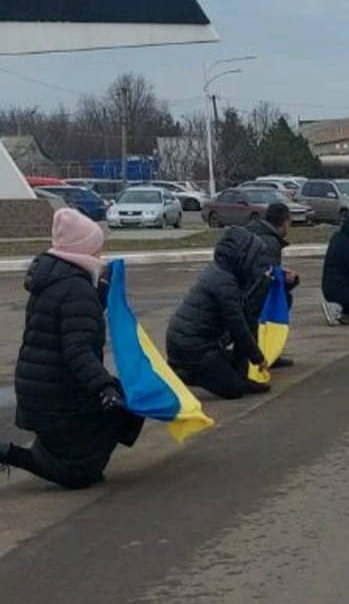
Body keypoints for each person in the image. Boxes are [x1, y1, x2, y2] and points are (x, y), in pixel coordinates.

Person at [1, 208, 143, 490]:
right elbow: (76, 350)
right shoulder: (75, 288)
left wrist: (98, 298)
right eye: (97, 246)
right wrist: (105, 389)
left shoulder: (53, 279)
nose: (100, 253)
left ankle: (67, 449)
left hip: (39, 390)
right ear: (84, 249)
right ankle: (15, 454)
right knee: (124, 408)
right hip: (56, 397)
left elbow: (65, 326)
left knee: (120, 404)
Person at [166, 226, 271, 399]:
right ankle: (183, 373)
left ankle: (238, 378)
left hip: (201, 342)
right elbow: (238, 326)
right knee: (233, 390)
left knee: (236, 368)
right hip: (191, 348)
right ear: (243, 257)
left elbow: (244, 323)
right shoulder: (224, 283)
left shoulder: (223, 273)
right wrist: (258, 358)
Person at [247, 202, 300, 367]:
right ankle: (267, 352)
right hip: (253, 294)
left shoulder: (255, 232)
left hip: (245, 288)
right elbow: (267, 279)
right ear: (284, 222)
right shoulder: (270, 243)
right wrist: (289, 281)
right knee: (282, 301)